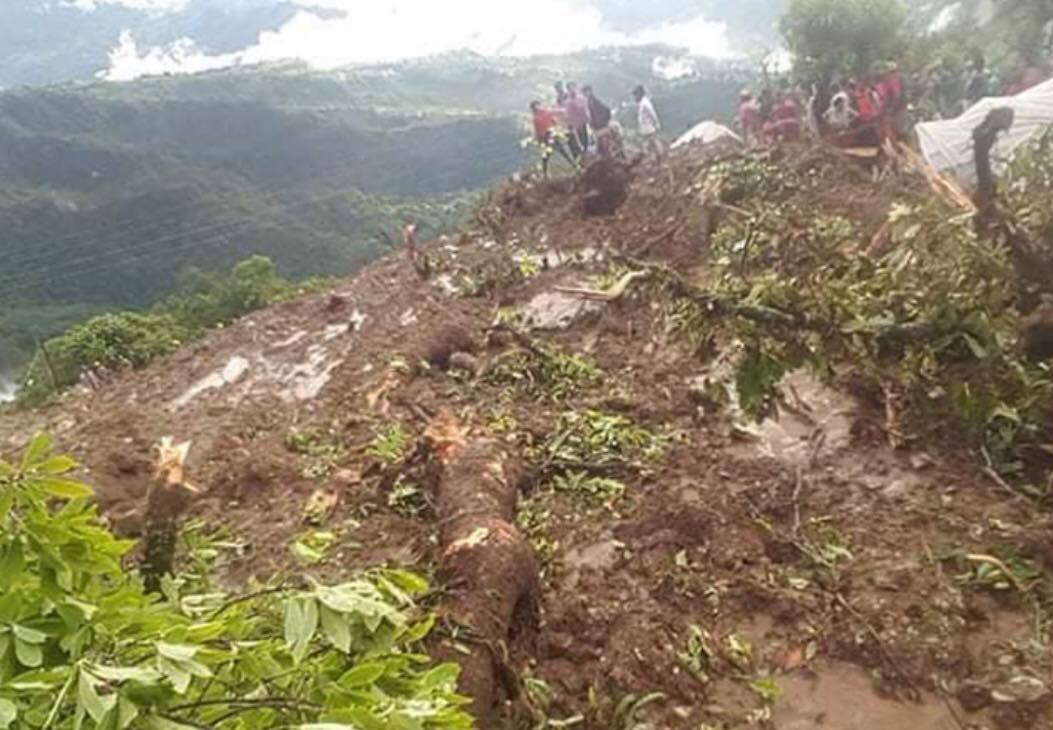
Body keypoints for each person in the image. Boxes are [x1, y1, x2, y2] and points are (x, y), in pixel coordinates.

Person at [530, 100, 575, 179]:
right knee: (555, 153)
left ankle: (573, 165)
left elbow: (552, 122)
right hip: (549, 136)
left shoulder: (539, 116)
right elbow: (551, 123)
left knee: (555, 153)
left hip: (549, 136)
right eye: (535, 107)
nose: (536, 108)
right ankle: (546, 173)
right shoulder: (538, 117)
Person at [583, 85, 617, 158]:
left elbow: (606, 110)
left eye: (587, 91)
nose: (587, 93)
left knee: (608, 145)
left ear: (591, 91)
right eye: (585, 92)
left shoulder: (596, 101)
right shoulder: (589, 103)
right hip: (598, 127)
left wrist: (604, 121)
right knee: (601, 147)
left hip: (602, 126)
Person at [633, 84, 663, 164]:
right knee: (651, 142)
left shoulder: (645, 103)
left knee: (651, 142)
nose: (635, 97)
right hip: (645, 127)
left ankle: (657, 157)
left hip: (648, 127)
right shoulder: (642, 103)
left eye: (636, 95)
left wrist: (656, 123)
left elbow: (652, 113)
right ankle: (655, 157)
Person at [562, 82, 591, 160]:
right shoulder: (568, 101)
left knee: (585, 134)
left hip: (584, 119)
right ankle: (585, 151)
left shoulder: (581, 97)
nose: (572, 89)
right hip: (576, 122)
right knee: (581, 136)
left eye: (573, 87)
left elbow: (585, 106)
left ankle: (587, 148)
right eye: (570, 88)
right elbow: (568, 111)